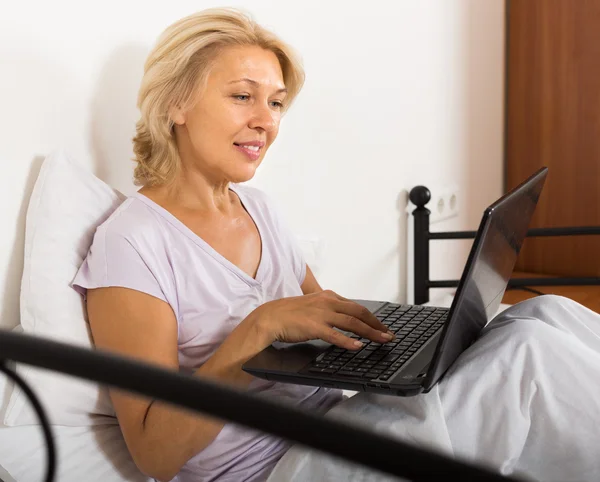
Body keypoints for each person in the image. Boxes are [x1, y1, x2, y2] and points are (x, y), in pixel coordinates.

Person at [72, 7, 600, 482]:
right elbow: (153, 455)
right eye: (242, 96)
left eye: (276, 102)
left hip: (343, 423)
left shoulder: (260, 209)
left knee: (542, 315)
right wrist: (255, 330)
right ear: (176, 104)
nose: (266, 120)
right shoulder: (132, 243)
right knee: (529, 356)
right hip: (280, 468)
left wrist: (419, 340)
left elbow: (321, 327)